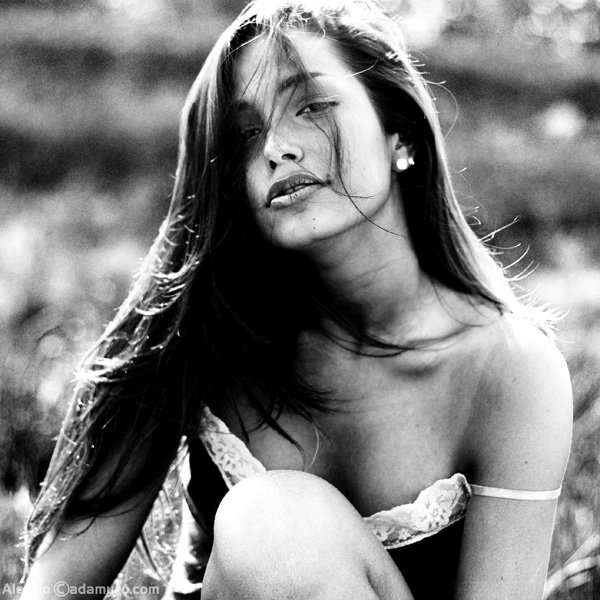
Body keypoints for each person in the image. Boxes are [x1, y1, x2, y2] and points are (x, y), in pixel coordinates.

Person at [21, 0, 573, 598]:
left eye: (311, 106)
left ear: (401, 134)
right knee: (274, 524)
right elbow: (59, 589)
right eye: (244, 133)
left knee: (279, 526)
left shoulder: (510, 370)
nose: (275, 148)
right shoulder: (201, 323)